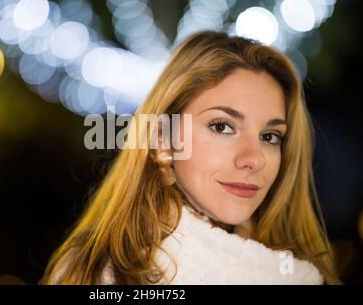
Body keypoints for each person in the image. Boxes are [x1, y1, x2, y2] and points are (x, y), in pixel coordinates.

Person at [41, 30, 341, 285]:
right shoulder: (101, 275)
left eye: (269, 137)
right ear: (163, 139)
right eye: (222, 126)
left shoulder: (296, 273)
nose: (254, 159)